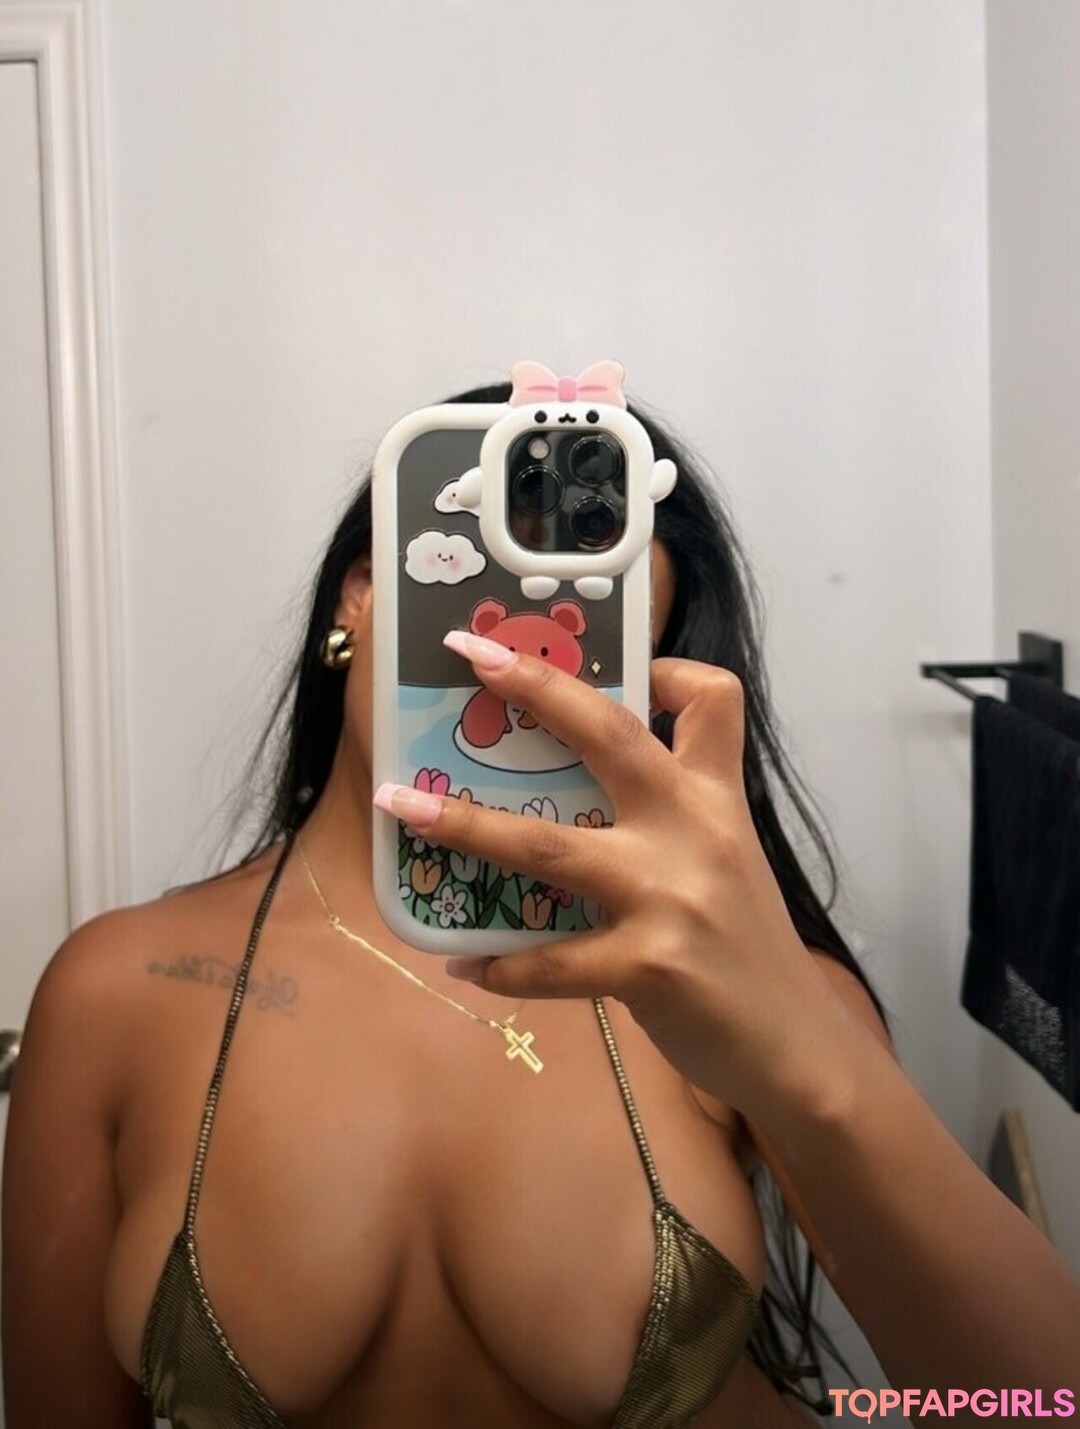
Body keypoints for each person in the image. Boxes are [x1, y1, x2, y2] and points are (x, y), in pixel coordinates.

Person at [3, 384, 1078, 1429]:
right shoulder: (117, 996)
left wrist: (807, 1047)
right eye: (481, 605)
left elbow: (1037, 1404)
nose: (523, 683)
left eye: (589, 653)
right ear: (361, 595)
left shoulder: (717, 986)